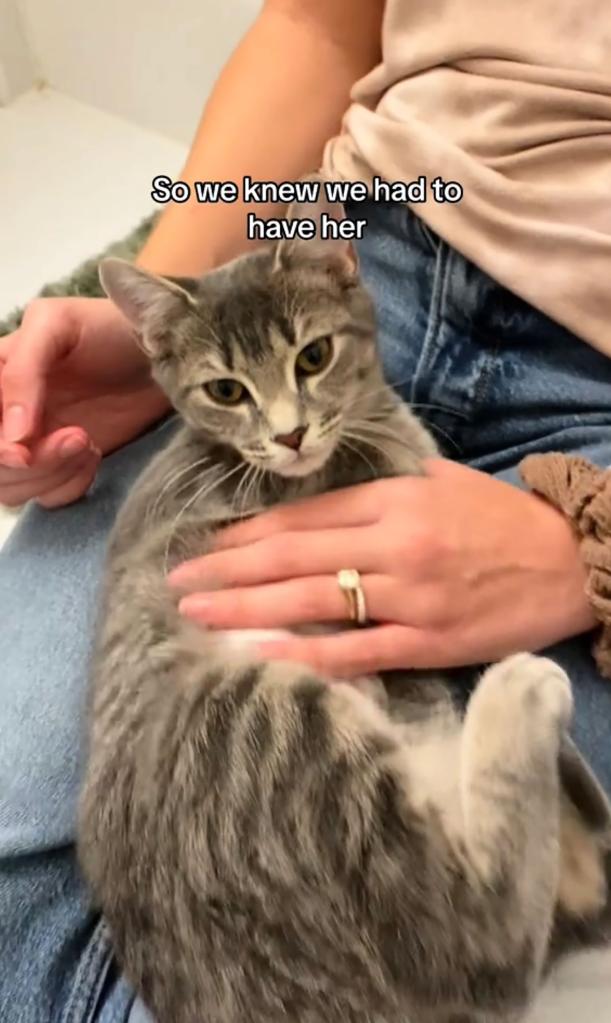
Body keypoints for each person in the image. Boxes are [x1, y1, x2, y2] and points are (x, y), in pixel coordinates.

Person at [1, 2, 611, 1020]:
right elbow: (317, 27)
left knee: (394, 927)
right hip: (341, 255)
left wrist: (585, 552)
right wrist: (172, 332)